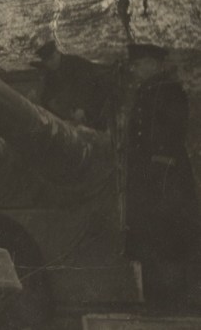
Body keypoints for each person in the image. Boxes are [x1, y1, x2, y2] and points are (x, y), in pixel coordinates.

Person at [123, 43, 201, 310]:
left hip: (167, 175)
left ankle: (176, 297)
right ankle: (157, 295)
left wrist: (158, 161)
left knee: (170, 232)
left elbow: (173, 130)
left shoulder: (169, 91)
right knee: (150, 234)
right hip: (148, 176)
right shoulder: (146, 91)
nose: (135, 69)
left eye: (140, 63)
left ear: (155, 64)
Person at [33, 40, 113, 130]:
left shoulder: (74, 63)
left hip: (99, 93)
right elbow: (46, 97)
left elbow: (86, 84)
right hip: (79, 102)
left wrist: (81, 107)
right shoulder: (51, 73)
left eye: (52, 58)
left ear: (58, 53)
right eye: (47, 61)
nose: (51, 63)